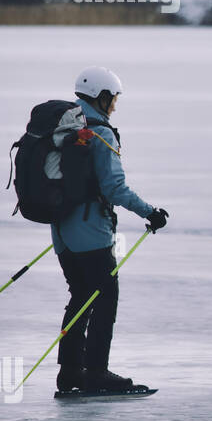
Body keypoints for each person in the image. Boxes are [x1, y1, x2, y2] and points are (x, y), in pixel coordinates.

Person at [53, 67, 168, 393]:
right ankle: (96, 372)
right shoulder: (101, 133)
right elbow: (115, 189)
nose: (114, 105)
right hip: (90, 229)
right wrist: (150, 212)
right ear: (102, 97)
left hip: (61, 230)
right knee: (105, 296)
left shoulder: (68, 125)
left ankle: (71, 373)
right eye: (113, 98)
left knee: (81, 295)